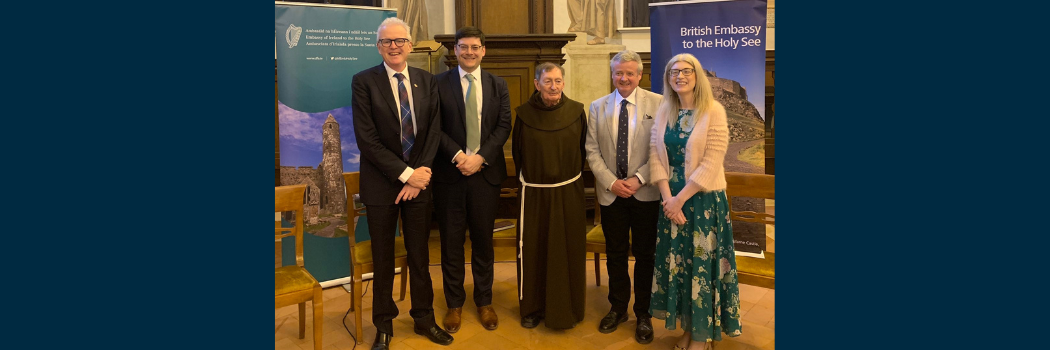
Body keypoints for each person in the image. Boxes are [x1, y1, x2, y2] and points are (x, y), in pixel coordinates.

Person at [351, 17, 453, 350]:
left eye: (399, 41)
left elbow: (433, 132)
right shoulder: (364, 82)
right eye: (386, 42)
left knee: (420, 256)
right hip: (382, 187)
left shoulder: (427, 80)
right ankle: (384, 326)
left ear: (410, 44)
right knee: (383, 260)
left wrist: (418, 175)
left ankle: (424, 318)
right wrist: (407, 175)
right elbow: (367, 140)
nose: (394, 47)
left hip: (419, 185)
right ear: (378, 46)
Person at [648, 53, 743, 350]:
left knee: (701, 268)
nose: (679, 76)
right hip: (671, 202)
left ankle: (702, 335)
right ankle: (688, 330)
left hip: (703, 202)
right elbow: (655, 157)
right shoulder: (665, 110)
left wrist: (679, 199)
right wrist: (667, 199)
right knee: (681, 268)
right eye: (673, 72)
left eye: (686, 71)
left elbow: (712, 162)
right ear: (668, 78)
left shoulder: (713, 110)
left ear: (697, 75)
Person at [432, 26, 512, 333]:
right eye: (463, 47)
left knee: (482, 242)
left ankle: (484, 301)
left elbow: (503, 125)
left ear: (483, 50)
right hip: (450, 175)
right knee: (451, 244)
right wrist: (459, 156)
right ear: (455, 50)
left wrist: (480, 157)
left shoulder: (497, 84)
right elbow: (433, 126)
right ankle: (454, 304)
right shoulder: (438, 84)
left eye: (475, 47)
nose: (469, 52)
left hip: (485, 175)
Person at [584, 50, 662, 344]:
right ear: (612, 74)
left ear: (640, 75)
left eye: (630, 73)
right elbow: (592, 150)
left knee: (645, 255)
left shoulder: (658, 103)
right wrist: (612, 182)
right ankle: (618, 308)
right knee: (615, 254)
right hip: (611, 194)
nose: (624, 78)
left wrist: (638, 179)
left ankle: (643, 312)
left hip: (646, 192)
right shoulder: (598, 106)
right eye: (619, 73)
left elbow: (660, 150)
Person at [511, 62, 588, 330]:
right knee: (533, 250)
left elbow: (582, 151)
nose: (553, 86)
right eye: (547, 81)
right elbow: (518, 155)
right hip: (534, 194)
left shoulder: (577, 112)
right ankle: (532, 308)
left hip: (568, 193)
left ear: (563, 83)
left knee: (567, 250)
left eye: (558, 81)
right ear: (537, 84)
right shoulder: (523, 115)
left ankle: (569, 309)